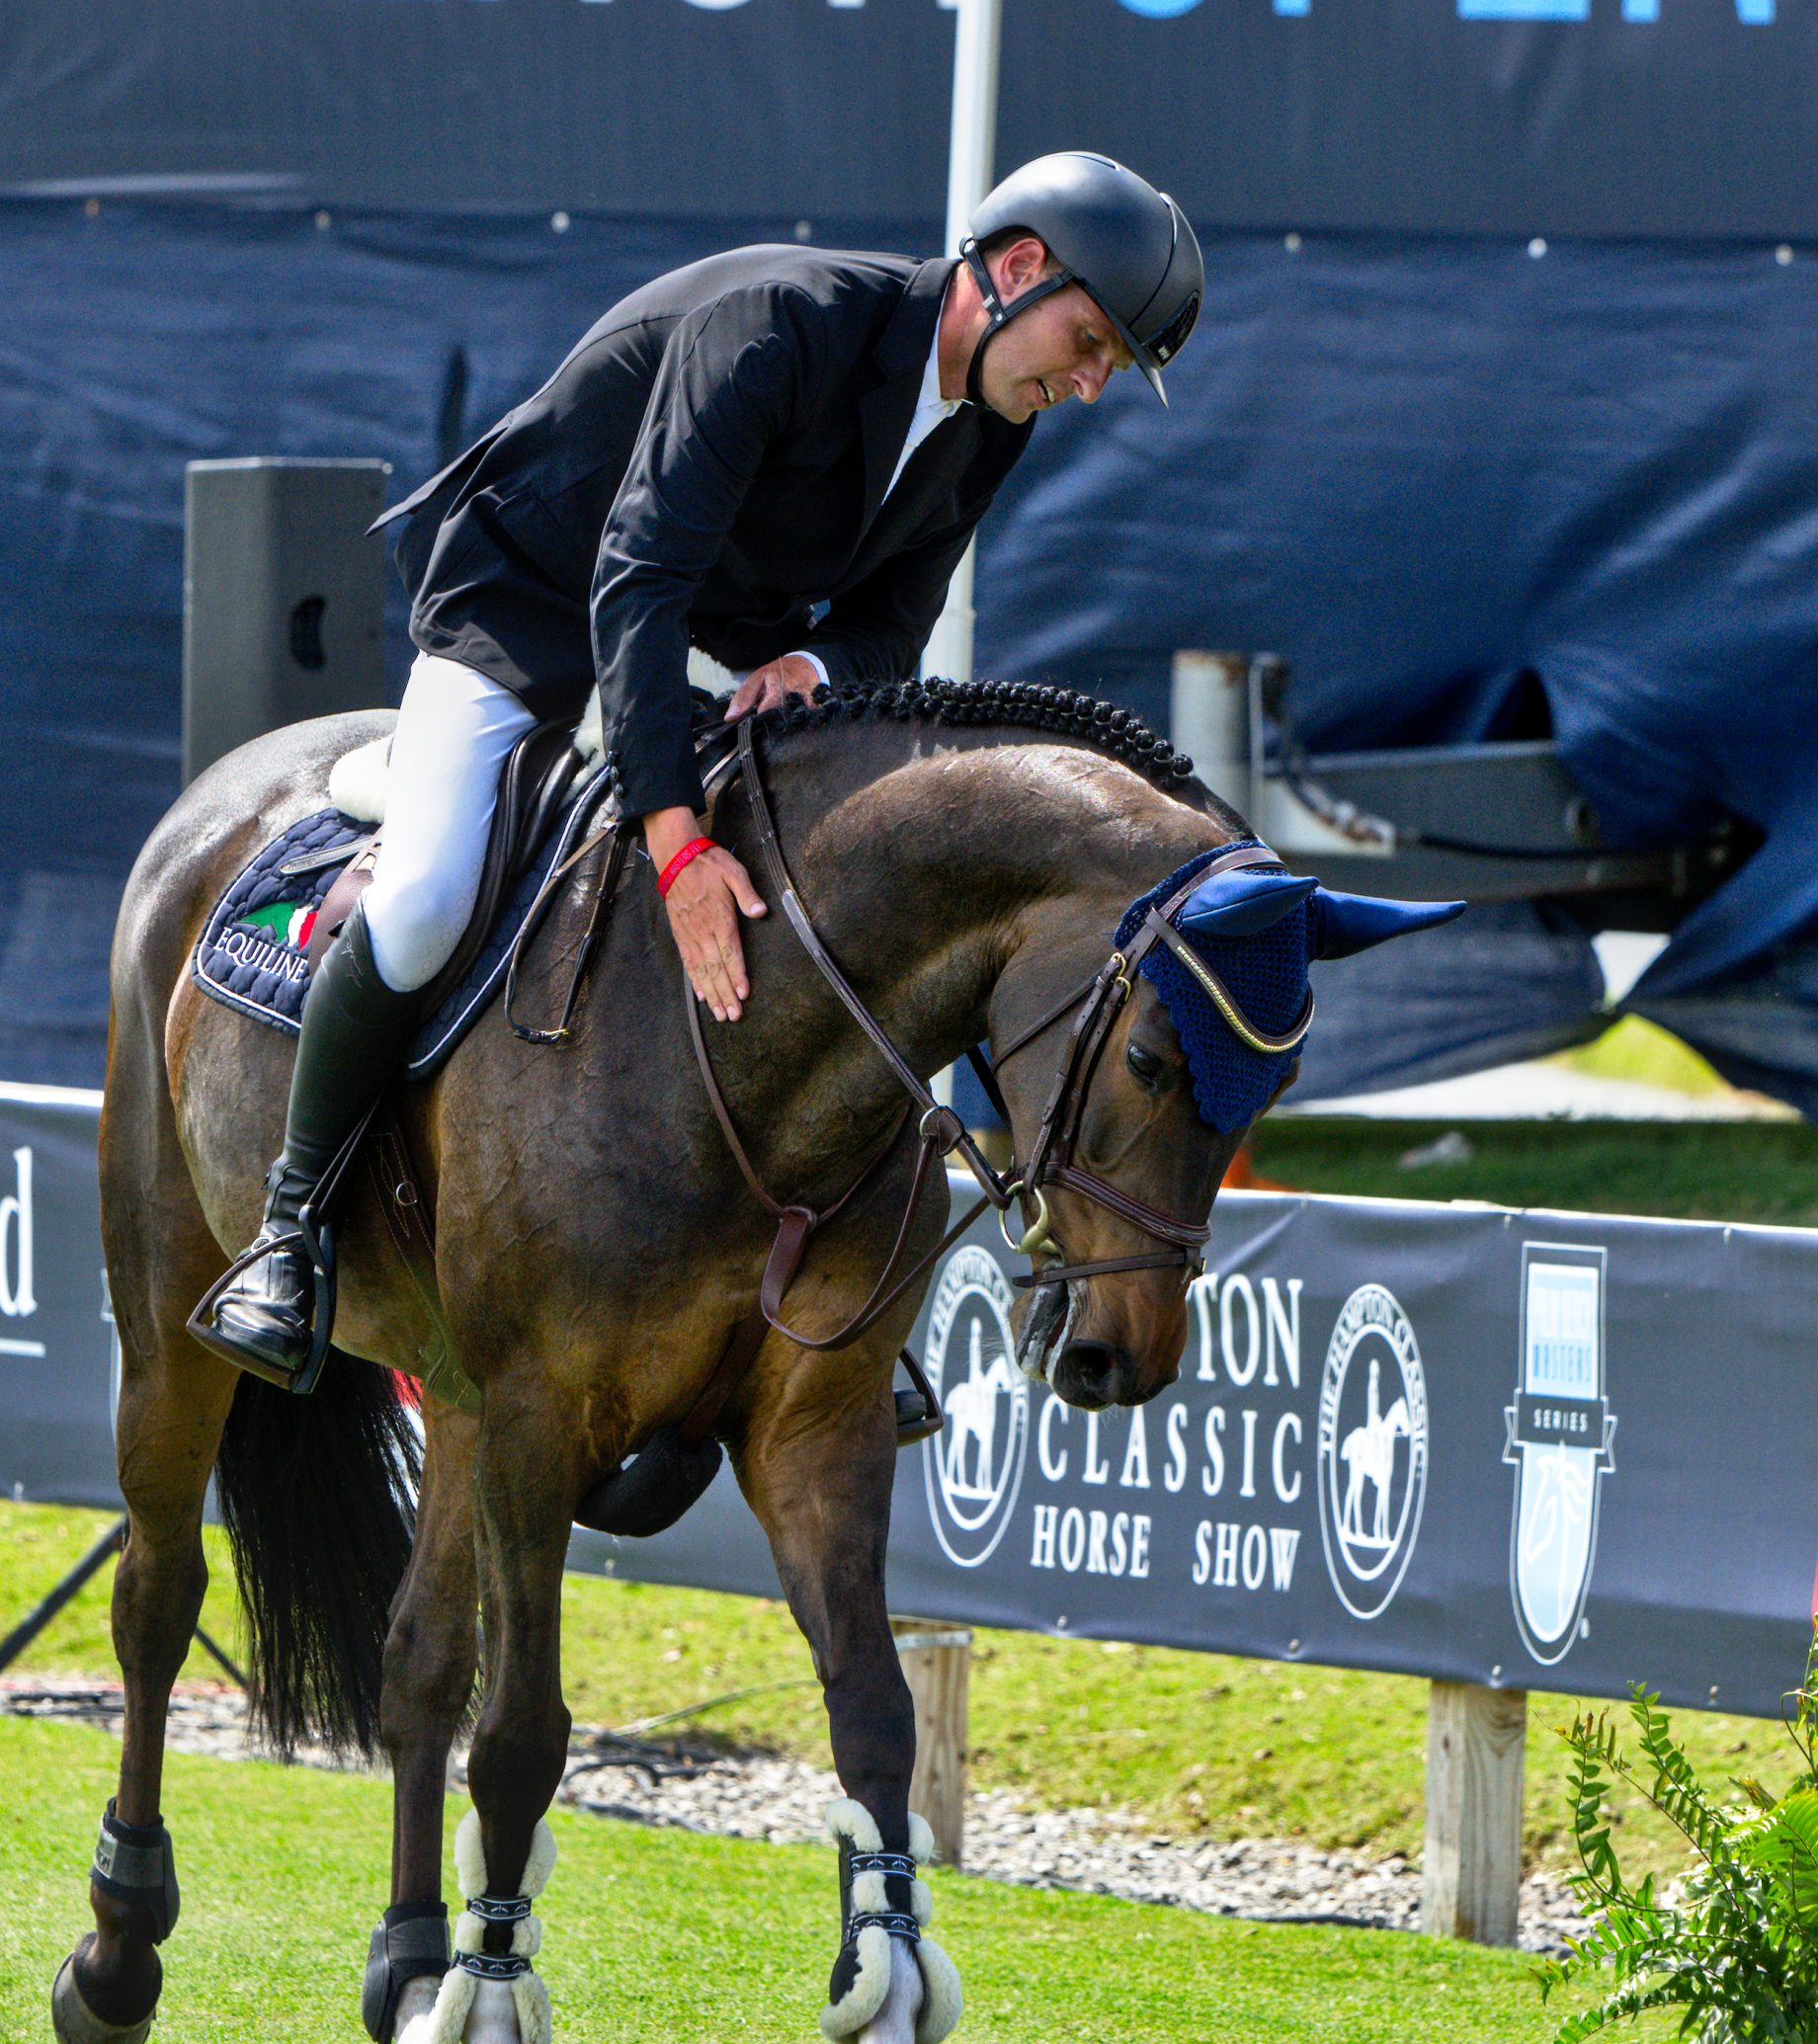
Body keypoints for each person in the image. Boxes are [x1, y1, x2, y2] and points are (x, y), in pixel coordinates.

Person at [194, 150, 1205, 1389]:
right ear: (1011, 268)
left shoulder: (989, 423)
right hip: (534, 604)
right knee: (421, 903)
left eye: (1111, 366)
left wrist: (810, 671)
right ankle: (290, 1233)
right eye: (1091, 340)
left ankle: (803, 1290)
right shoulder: (777, 327)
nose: (1090, 385)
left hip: (697, 635)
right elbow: (637, 575)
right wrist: (674, 841)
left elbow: (888, 622)